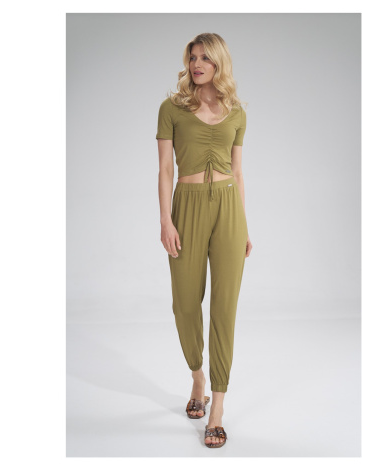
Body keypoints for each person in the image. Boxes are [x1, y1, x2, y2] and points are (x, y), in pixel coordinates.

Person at [156, 32, 252, 448]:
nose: (196, 64)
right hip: (188, 206)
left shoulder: (237, 112)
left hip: (228, 209)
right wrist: (166, 220)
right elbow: (165, 170)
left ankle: (217, 406)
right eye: (192, 57)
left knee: (224, 307)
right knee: (184, 303)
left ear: (218, 63)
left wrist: (244, 225)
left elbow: (238, 171)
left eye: (204, 58)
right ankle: (197, 375)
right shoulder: (171, 109)